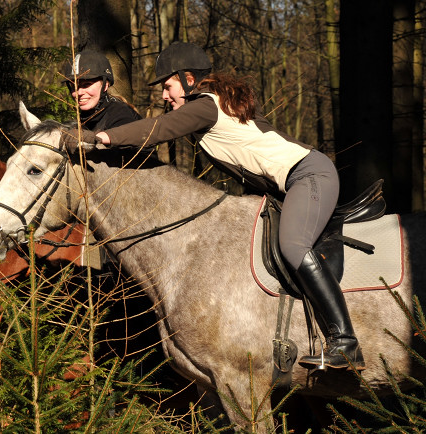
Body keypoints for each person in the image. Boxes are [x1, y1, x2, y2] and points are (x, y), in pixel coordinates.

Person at [63, 41, 364, 371]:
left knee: (293, 245)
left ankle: (345, 342)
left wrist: (102, 138)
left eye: (168, 86)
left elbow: (159, 129)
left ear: (189, 79)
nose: (164, 96)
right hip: (288, 185)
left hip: (308, 176)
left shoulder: (206, 105)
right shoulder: (212, 107)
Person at [61, 49, 141, 131]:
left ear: (105, 85)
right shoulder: (88, 115)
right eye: (74, 87)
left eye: (86, 85)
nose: (79, 93)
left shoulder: (121, 116)